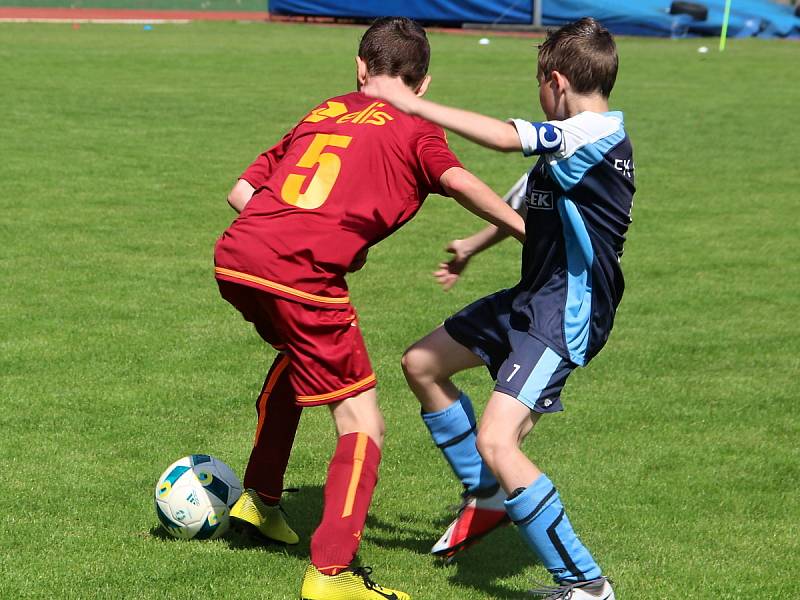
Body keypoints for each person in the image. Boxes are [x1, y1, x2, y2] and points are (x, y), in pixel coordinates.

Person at [214, 16, 526, 600]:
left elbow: (241, 192)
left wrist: (299, 231)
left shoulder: (325, 110)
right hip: (301, 276)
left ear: (361, 69)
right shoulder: (415, 124)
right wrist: (524, 229)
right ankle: (331, 574)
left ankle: (259, 500)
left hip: (237, 255)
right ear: (424, 84)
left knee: (296, 357)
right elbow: (456, 180)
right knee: (363, 421)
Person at [367, 17, 635, 600]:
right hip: (533, 296)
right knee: (422, 364)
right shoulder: (575, 142)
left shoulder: (591, 136)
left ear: (556, 83)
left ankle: (586, 585)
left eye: (539, 83)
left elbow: (503, 138)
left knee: (498, 439)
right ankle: (486, 493)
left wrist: (406, 103)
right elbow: (530, 197)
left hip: (567, 311)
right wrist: (472, 244)